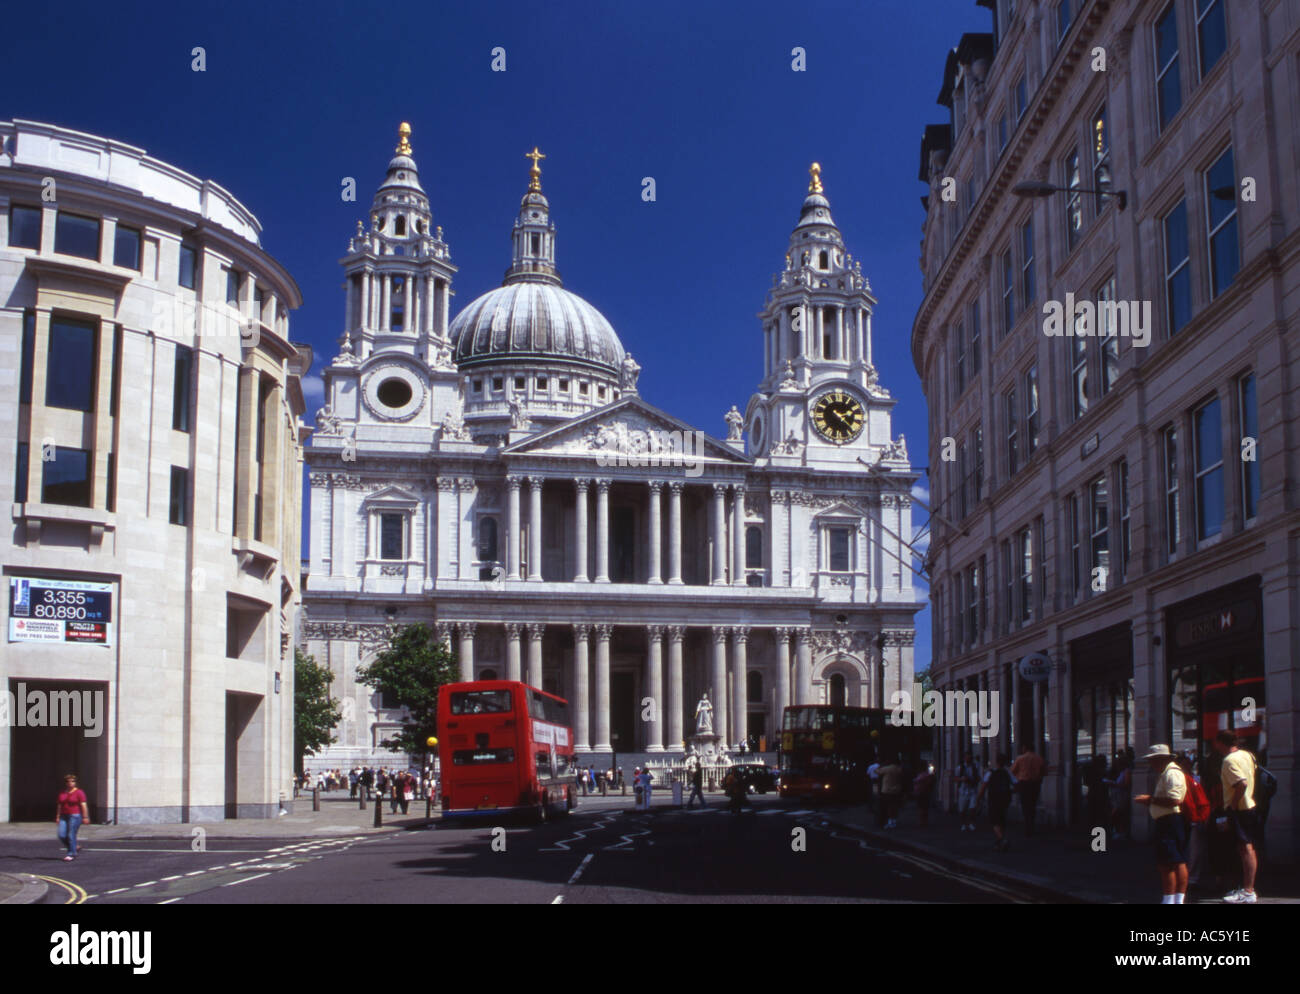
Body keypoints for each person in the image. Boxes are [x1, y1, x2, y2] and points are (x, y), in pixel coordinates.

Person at [1134, 744, 1188, 905]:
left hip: (1170, 821)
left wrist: (1150, 800)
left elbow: (1175, 800)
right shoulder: (1168, 773)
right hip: (1170, 821)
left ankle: (1170, 900)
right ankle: (1175, 900)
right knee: (1176, 860)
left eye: (1153, 760)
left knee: (1168, 863)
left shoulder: (1171, 774)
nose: (1151, 764)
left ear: (1161, 759)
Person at [1213, 731, 1259, 903]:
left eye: (1216, 742)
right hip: (1249, 806)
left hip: (1240, 809)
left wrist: (1232, 805)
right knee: (1246, 848)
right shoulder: (1248, 755)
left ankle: (1248, 891)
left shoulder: (1229, 761)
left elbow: (1242, 783)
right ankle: (1247, 889)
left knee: (1246, 849)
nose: (1215, 746)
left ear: (1220, 742)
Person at [1176, 752, 1211, 891]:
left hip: (1195, 818)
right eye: (1184, 763)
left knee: (1195, 849)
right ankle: (1188, 877)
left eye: (1188, 763)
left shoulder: (1195, 779)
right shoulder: (1182, 779)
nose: (1187, 765)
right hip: (1186, 817)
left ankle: (1192, 877)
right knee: (1190, 848)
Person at [977, 755, 1014, 851]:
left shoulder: (990, 772)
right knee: (1001, 819)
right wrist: (1010, 792)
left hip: (993, 799)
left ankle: (1002, 839)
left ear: (996, 762)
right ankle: (999, 842)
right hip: (1005, 800)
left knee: (994, 821)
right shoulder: (1007, 772)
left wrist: (979, 798)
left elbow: (984, 786)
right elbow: (1016, 784)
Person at [1010, 744, 1047, 837]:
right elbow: (1044, 771)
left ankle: (1027, 825)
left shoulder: (1020, 758)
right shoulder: (1039, 759)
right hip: (1035, 783)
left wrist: (1018, 776)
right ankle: (1031, 824)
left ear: (1025, 748)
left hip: (1024, 784)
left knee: (1025, 804)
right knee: (1033, 804)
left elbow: (1012, 770)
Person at [55, 773, 90, 862]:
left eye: (72, 781)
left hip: (75, 816)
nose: (70, 783)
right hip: (63, 815)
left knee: (71, 834)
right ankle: (74, 847)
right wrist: (58, 816)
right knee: (61, 835)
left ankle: (71, 853)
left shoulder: (79, 792)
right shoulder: (62, 793)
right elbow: (59, 805)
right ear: (66, 783)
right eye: (68, 781)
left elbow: (83, 805)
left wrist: (85, 817)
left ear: (75, 783)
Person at [955, 753, 981, 832]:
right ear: (964, 759)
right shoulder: (960, 768)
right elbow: (955, 778)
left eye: (970, 758)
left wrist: (973, 780)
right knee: (962, 810)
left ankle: (971, 823)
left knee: (972, 808)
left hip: (972, 790)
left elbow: (978, 777)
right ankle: (963, 824)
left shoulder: (975, 767)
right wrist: (962, 779)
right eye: (967, 758)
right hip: (963, 791)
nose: (968, 760)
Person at [877, 755, 904, 829]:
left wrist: (883, 765)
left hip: (887, 790)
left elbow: (877, 771)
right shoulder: (899, 769)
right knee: (894, 806)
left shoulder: (887, 769)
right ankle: (894, 821)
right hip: (897, 790)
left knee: (888, 806)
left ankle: (889, 822)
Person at [912, 762, 935, 827]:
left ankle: (922, 821)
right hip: (922, 792)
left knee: (922, 808)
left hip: (922, 792)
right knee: (923, 807)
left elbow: (928, 782)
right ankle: (923, 821)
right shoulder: (925, 774)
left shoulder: (924, 775)